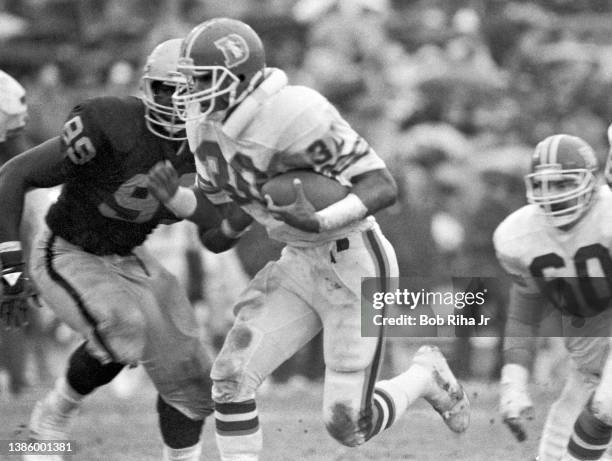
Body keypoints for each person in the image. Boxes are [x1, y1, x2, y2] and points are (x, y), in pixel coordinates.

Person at [147, 17, 470, 461]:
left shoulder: (296, 111)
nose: (190, 92)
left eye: (202, 79)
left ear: (238, 77)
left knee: (348, 426)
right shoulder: (203, 123)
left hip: (354, 259)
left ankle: (424, 376)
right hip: (297, 259)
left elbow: (381, 186)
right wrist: (183, 205)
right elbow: (226, 209)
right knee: (230, 378)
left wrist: (318, 221)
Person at [0, 39, 225, 461]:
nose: (176, 102)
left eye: (187, 89)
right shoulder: (111, 121)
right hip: (68, 249)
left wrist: (206, 210)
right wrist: (10, 265)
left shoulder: (210, 144)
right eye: (165, 89)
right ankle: (50, 419)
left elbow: (217, 226)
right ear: (146, 88)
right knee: (123, 327)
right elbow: (14, 174)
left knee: (194, 380)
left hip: (131, 257)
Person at [494, 134, 612, 461]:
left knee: (606, 408)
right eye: (545, 184)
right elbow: (524, 312)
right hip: (587, 363)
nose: (553, 195)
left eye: (563, 184)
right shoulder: (518, 235)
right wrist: (513, 383)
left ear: (591, 181)